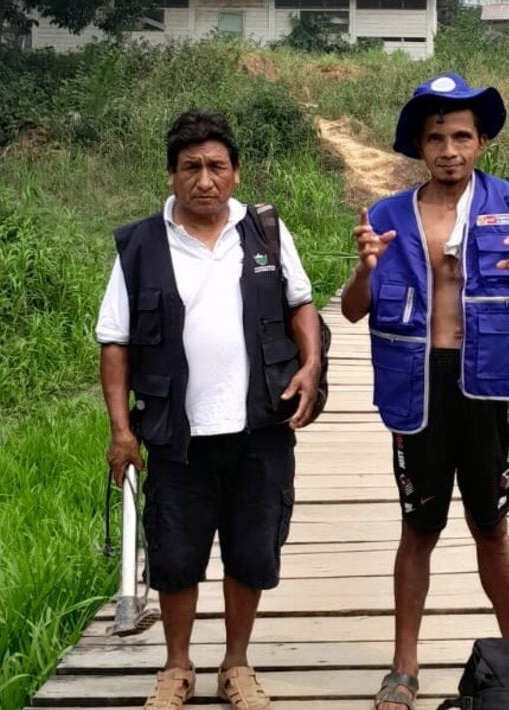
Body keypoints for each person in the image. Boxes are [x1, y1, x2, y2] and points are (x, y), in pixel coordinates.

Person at [339, 74, 509, 710]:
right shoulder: (389, 216)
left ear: (480, 143)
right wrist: (366, 269)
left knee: (491, 526)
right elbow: (352, 310)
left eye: (460, 137)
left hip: (489, 387)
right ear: (419, 147)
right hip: (420, 386)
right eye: (435, 139)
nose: (448, 150)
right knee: (417, 527)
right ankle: (404, 665)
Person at [96, 109, 323, 710]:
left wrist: (311, 364)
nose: (205, 179)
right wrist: (121, 432)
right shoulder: (140, 245)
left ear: (235, 172)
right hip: (177, 435)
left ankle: (236, 664)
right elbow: (114, 342)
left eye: (216, 166)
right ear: (170, 175)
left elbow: (301, 303)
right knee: (175, 555)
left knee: (252, 549)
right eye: (190, 167)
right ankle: (177, 667)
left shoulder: (265, 232)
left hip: (260, 426)